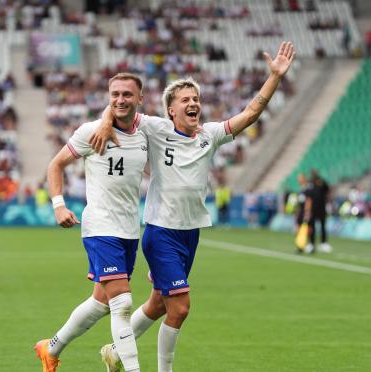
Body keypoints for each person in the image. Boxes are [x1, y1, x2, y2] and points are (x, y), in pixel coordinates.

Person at [91, 42, 296, 372]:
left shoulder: (210, 135)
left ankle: (115, 351)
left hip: (191, 234)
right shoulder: (156, 129)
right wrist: (103, 123)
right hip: (161, 233)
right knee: (181, 308)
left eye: (196, 99)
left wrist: (275, 77)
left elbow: (251, 113)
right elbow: (120, 107)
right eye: (185, 100)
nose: (193, 104)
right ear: (171, 110)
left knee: (160, 303)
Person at [34, 73, 148, 372]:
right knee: (122, 304)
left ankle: (51, 347)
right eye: (115, 94)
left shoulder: (148, 130)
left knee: (100, 303)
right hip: (100, 227)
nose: (120, 99)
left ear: (140, 98)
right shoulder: (89, 132)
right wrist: (58, 206)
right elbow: (55, 164)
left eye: (127, 94)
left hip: (128, 229)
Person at [308, 169, 332, 253]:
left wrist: (328, 202)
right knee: (312, 227)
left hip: (321, 208)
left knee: (323, 226)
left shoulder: (321, 182)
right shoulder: (310, 183)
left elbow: (328, 190)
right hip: (312, 209)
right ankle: (311, 244)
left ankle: (323, 243)